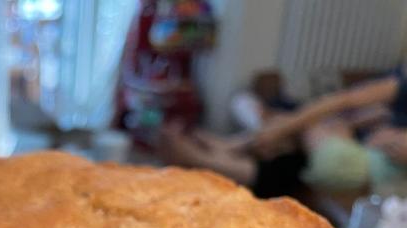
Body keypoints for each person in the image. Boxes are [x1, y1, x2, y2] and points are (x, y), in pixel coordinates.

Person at [159, 65, 407, 197]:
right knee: (293, 144)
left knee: (301, 126)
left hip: (362, 160)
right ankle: (223, 151)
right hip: (359, 147)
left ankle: (229, 148)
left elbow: (345, 100)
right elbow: (368, 113)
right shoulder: (396, 90)